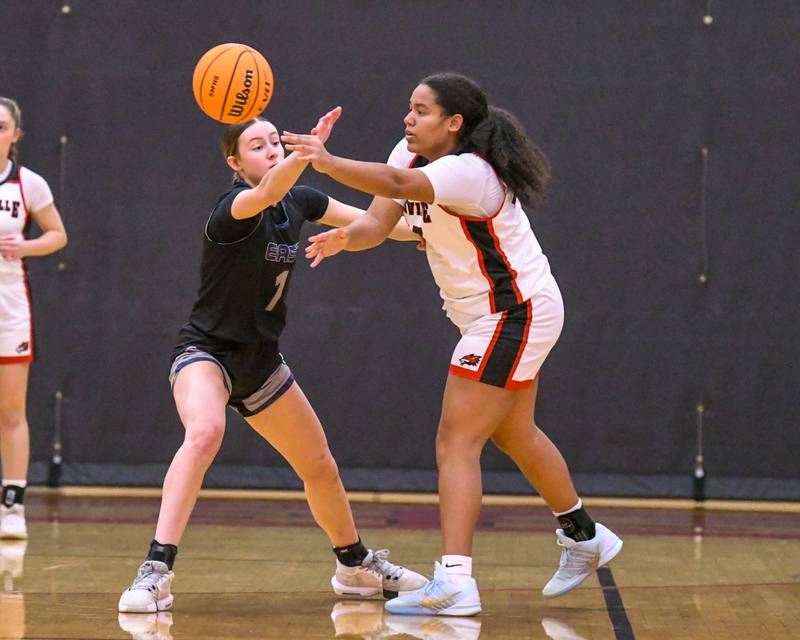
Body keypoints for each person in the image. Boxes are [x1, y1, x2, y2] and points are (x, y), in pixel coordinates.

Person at [281, 73, 623, 615]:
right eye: (409, 108)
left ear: (454, 123)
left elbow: (398, 183)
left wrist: (325, 162)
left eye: (422, 111)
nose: (408, 118)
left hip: (513, 312)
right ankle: (584, 534)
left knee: (455, 441)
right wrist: (349, 237)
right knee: (514, 432)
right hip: (499, 315)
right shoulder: (408, 154)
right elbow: (378, 222)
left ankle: (456, 581)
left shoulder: (471, 171)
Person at [118, 107, 426, 613]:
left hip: (261, 360)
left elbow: (373, 222)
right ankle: (156, 570)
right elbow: (266, 193)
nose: (271, 150)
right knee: (205, 432)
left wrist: (425, 233)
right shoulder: (234, 207)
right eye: (257, 146)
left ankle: (353, 565)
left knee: (319, 464)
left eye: (274, 142)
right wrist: (308, 154)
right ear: (235, 162)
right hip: (207, 351)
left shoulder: (300, 200)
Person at [0, 97, 68, 540]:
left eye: (1, 126)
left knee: (11, 411)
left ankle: (12, 505)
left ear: (15, 134)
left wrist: (25, 247)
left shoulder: (29, 184)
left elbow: (58, 235)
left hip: (9, 311)